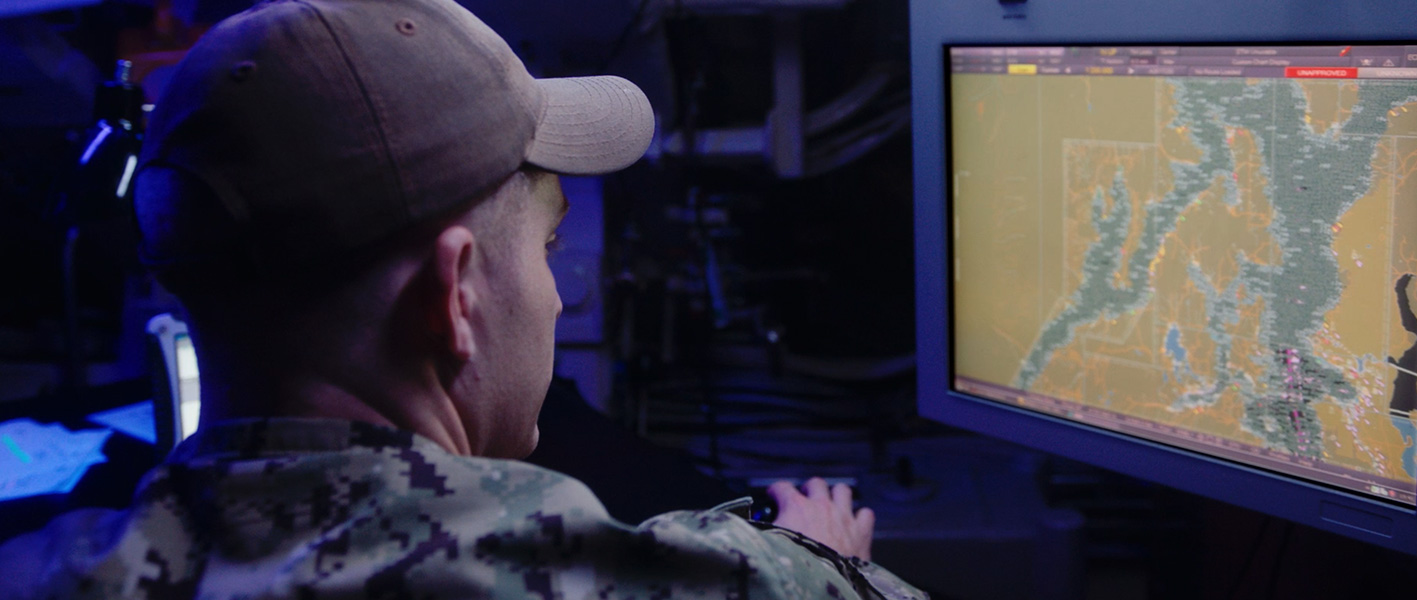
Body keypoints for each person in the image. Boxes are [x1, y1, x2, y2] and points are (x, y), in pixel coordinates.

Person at [0, 0, 926, 598]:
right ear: (452, 296)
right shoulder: (715, 583)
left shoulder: (38, 572)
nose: (560, 300)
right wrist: (822, 565)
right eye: (548, 248)